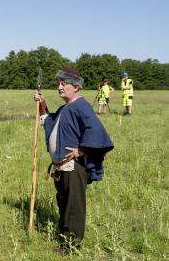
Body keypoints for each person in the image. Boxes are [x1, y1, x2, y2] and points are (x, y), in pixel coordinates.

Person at [33, 66, 114, 253]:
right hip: (61, 168)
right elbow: (50, 122)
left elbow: (97, 132)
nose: (60, 86)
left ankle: (71, 246)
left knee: (74, 207)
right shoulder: (66, 107)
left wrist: (81, 150)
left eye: (64, 83)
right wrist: (42, 104)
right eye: (58, 83)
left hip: (74, 168)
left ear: (76, 87)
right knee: (64, 203)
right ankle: (64, 237)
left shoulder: (81, 106)